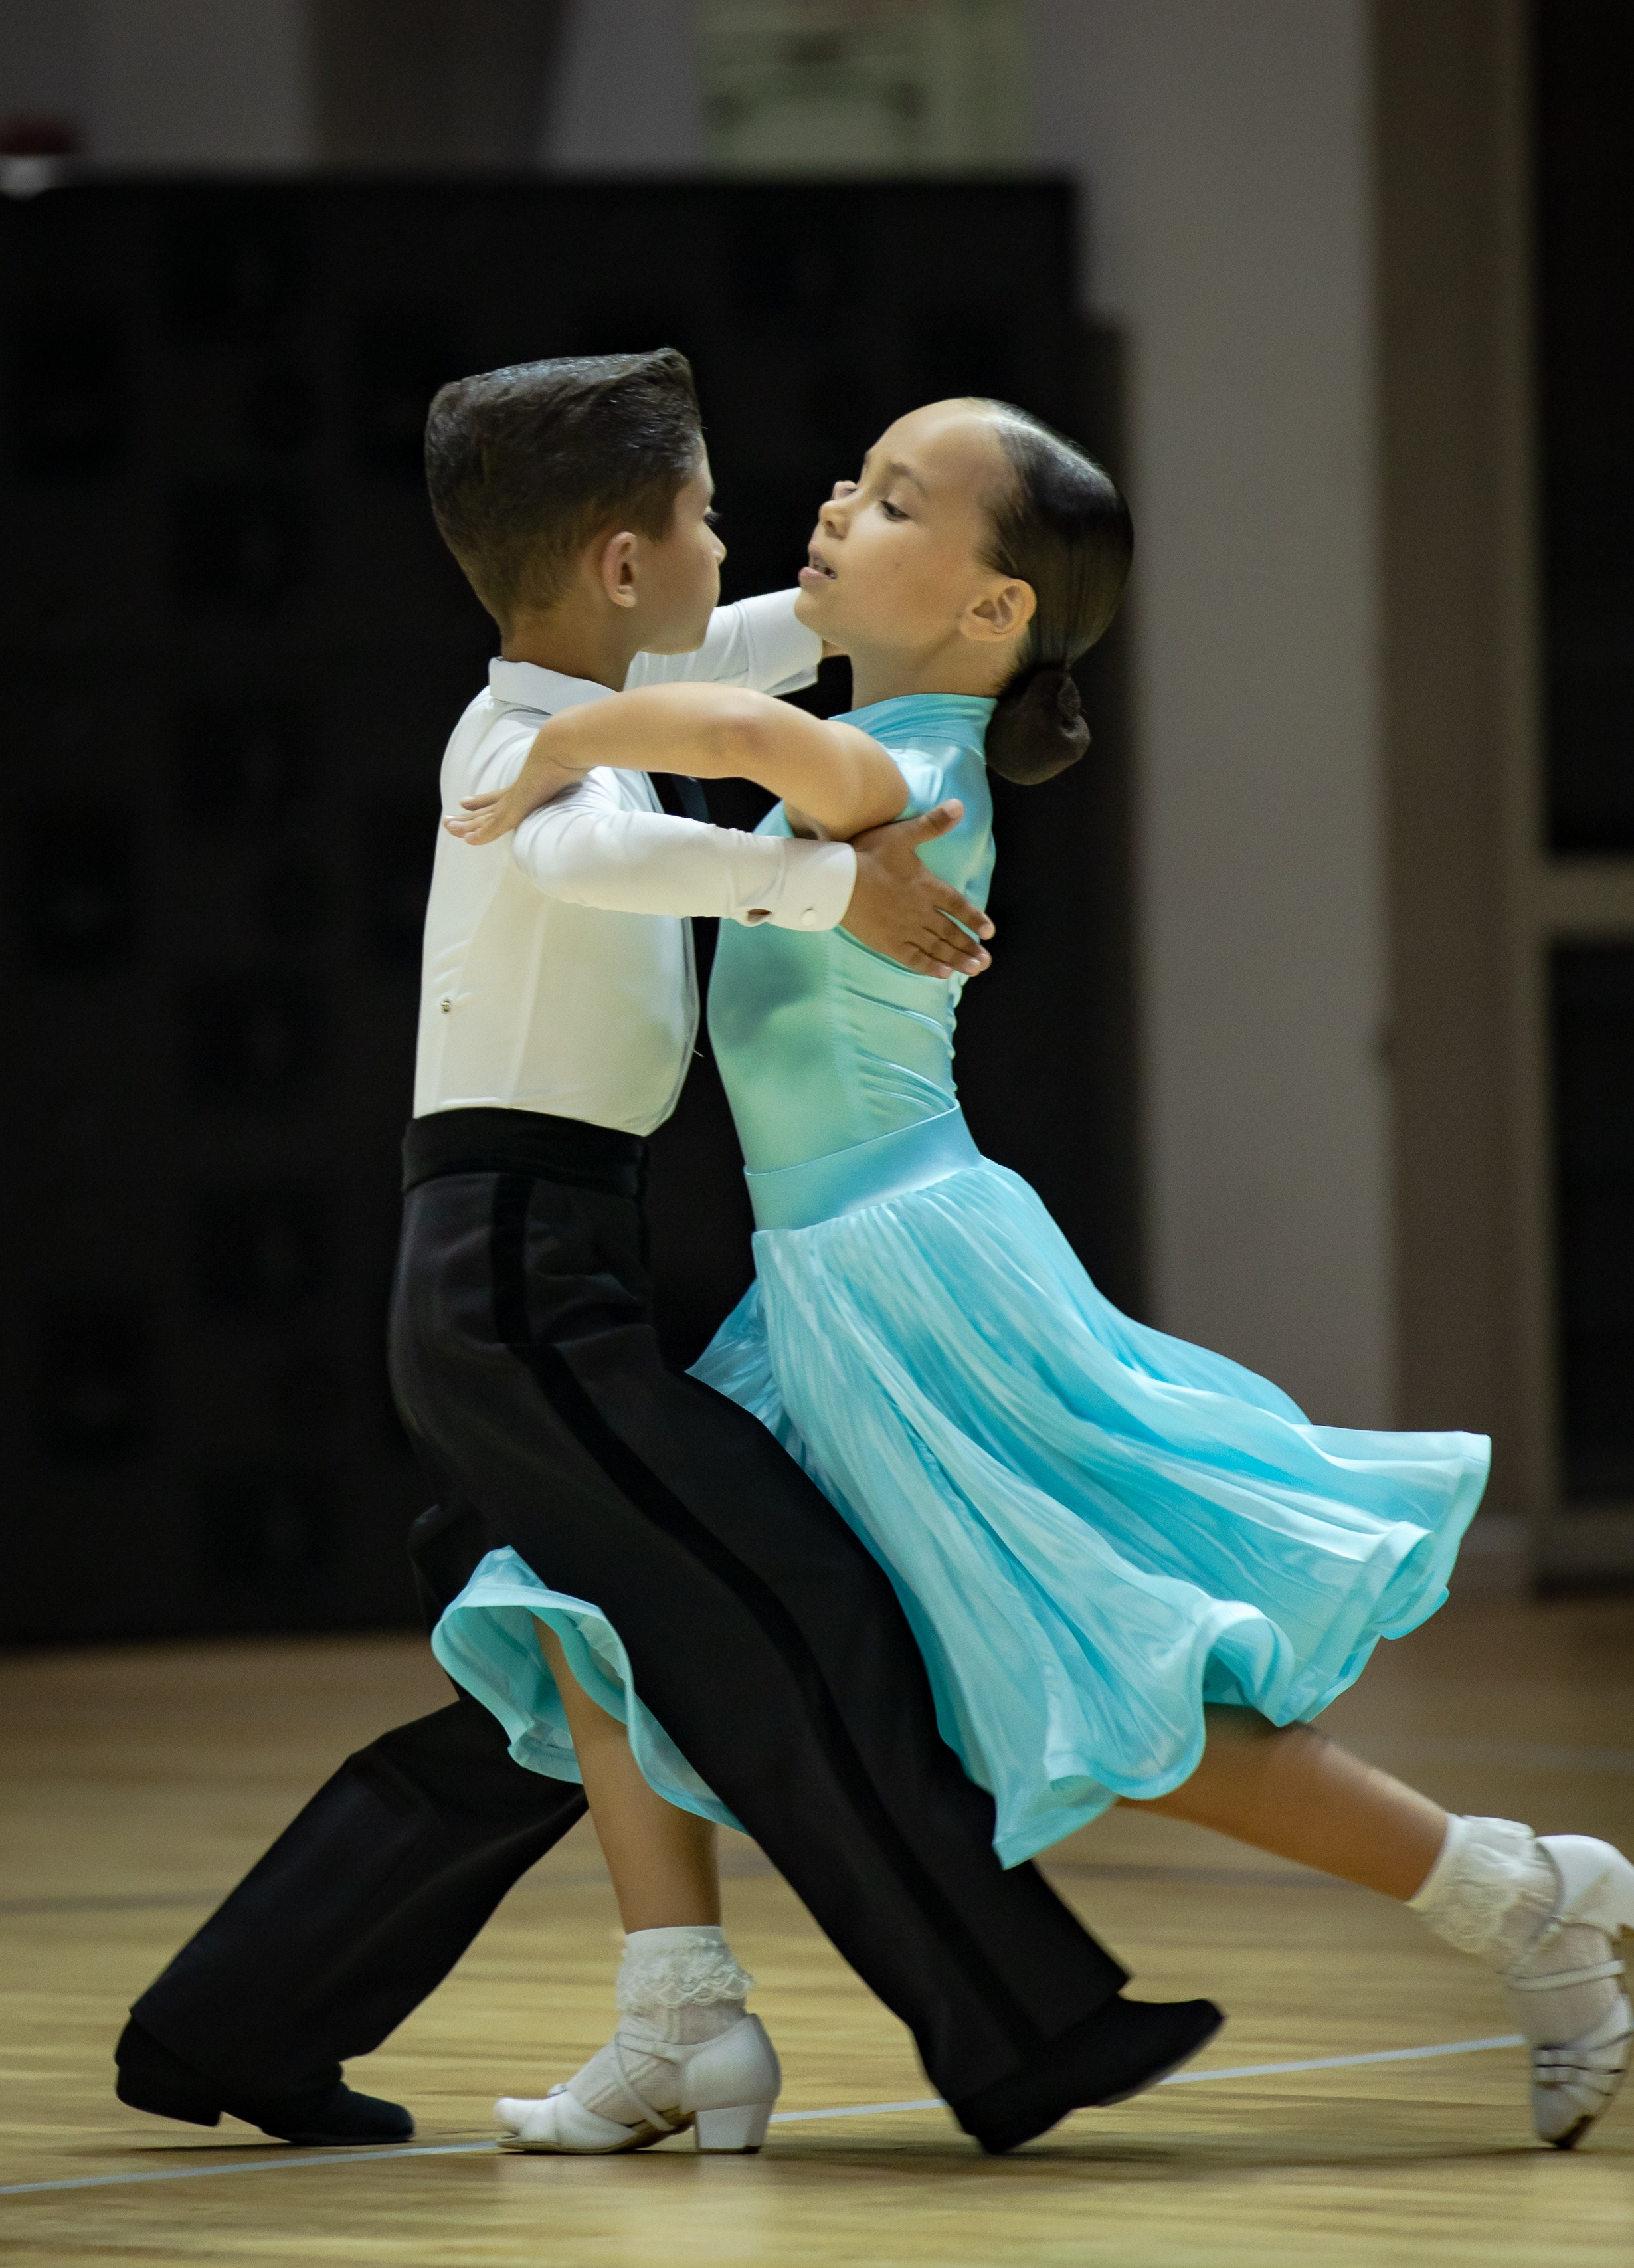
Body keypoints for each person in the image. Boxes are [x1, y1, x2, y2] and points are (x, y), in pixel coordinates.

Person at [450, 395, 1634, 2154]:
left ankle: (1513, 1896)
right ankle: (678, 2017)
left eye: (892, 498)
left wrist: (551, 734)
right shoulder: (878, 741)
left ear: (995, 610)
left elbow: (726, 719)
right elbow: (740, 693)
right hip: (822, 1299)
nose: (838, 505)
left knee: (1123, 1691)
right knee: (601, 1600)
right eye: (853, 476)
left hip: (923, 1292)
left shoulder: (918, 775)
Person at [114, 353, 1222, 2163]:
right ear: (629, 565)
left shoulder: (638, 680)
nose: (754, 541)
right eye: (709, 514)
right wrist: (825, 885)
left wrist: (917, 609)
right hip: (507, 1286)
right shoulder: (516, 743)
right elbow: (595, 856)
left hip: (541, 1276)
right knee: (792, 1613)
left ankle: (230, 2026)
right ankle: (1026, 2029)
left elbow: (807, 640)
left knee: (550, 1678)